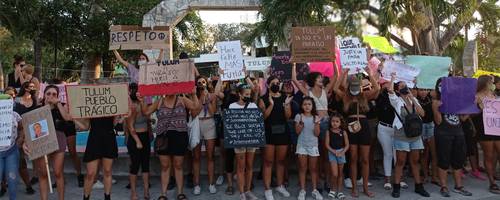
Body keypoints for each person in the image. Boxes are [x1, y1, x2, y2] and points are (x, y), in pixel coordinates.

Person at [142, 90, 198, 200]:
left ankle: (180, 193)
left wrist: (193, 94)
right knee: (165, 166)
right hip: (163, 138)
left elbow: (195, 107)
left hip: (180, 137)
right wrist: (144, 98)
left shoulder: (182, 100)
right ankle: (163, 194)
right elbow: (146, 112)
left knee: (178, 165)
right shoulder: (159, 101)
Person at [334, 68, 380, 198]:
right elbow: (335, 88)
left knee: (365, 159)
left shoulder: (364, 95)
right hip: (350, 127)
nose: (354, 88)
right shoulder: (345, 96)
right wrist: (344, 73)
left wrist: (369, 73)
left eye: (356, 86)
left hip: (364, 127)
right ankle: (354, 188)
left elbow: (377, 89)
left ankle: (365, 187)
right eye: (352, 86)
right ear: (349, 87)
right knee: (353, 158)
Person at [292, 64, 337, 192]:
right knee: (316, 156)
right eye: (319, 78)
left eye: (321, 78)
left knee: (327, 154)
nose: (321, 79)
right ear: (313, 81)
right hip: (314, 124)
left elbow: (336, 75)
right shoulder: (308, 92)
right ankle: (317, 182)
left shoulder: (326, 90)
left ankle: (327, 181)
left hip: (327, 123)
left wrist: (333, 61)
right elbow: (294, 80)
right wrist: (294, 64)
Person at [23, 85, 71, 200]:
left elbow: (67, 117)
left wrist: (58, 103)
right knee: (43, 173)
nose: (51, 96)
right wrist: (25, 142)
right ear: (44, 95)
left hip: (59, 139)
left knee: (58, 172)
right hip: (42, 141)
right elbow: (29, 128)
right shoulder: (37, 109)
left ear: (58, 96)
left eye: (54, 94)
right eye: (48, 93)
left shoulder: (62, 107)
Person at [387, 76, 429, 198]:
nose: (404, 88)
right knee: (400, 161)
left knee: (415, 161)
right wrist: (392, 78)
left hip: (415, 134)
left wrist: (411, 97)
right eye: (401, 86)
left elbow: (422, 114)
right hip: (401, 134)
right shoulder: (396, 100)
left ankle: (418, 186)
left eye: (405, 85)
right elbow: (390, 90)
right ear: (398, 89)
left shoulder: (413, 99)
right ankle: (396, 186)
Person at [432, 77, 472, 197]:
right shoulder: (436, 102)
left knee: (458, 161)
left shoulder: (456, 100)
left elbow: (463, 118)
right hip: (443, 134)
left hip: (458, 133)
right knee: (443, 160)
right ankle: (444, 186)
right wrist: (437, 108)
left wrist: (472, 106)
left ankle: (458, 186)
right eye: (440, 85)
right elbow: (438, 121)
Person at [258, 76, 293, 200]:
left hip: (283, 132)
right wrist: (271, 105)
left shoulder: (285, 97)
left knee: (281, 161)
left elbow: (288, 117)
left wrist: (287, 106)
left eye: (278, 83)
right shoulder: (263, 99)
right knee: (268, 162)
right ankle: (268, 189)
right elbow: (263, 117)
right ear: (268, 85)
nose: (276, 85)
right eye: (273, 83)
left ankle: (280, 185)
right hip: (268, 133)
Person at [191, 76, 222, 195]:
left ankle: (211, 183)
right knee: (196, 157)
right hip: (197, 124)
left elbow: (213, 111)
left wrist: (207, 99)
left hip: (209, 124)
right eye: (199, 82)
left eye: (203, 82)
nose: (201, 84)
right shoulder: (193, 96)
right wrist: (200, 99)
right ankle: (197, 184)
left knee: (210, 156)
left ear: (206, 83)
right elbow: (194, 113)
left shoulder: (212, 95)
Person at [75, 115, 118, 200]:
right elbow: (86, 127)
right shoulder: (91, 106)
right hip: (94, 138)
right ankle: (86, 198)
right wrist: (73, 119)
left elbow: (114, 124)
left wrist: (122, 116)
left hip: (109, 137)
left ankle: (107, 197)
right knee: (90, 173)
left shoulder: (111, 104)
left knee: (107, 171)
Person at [230, 84, 259, 200]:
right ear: (239, 94)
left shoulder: (253, 105)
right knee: (241, 166)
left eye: (249, 94)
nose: (248, 96)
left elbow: (256, 121)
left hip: (251, 139)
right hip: (239, 140)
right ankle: (242, 192)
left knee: (250, 165)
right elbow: (230, 123)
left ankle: (248, 190)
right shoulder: (232, 106)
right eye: (246, 94)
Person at [472, 75, 500, 194]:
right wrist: (480, 109)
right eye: (491, 82)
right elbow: (471, 114)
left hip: (496, 128)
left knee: (496, 154)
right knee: (488, 155)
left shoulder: (494, 95)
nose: (493, 84)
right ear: (485, 83)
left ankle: (493, 173)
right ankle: (492, 182)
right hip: (484, 129)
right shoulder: (476, 97)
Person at [126, 83, 151, 200]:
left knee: (146, 165)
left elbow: (148, 118)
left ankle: (146, 191)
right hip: (135, 138)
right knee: (135, 166)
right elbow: (130, 127)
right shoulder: (130, 106)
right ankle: (133, 193)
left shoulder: (143, 103)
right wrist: (137, 141)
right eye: (135, 90)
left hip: (145, 136)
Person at [294, 97, 323, 200]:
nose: (307, 106)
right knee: (302, 168)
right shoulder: (298, 116)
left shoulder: (316, 117)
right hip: (302, 145)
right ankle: (303, 190)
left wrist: (316, 123)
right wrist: (301, 123)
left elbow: (317, 133)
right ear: (302, 106)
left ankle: (315, 190)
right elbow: (297, 132)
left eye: (309, 104)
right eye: (305, 104)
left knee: (313, 169)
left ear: (312, 106)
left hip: (313, 145)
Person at [14, 82, 37, 195]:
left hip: (32, 134)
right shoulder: (16, 101)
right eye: (31, 87)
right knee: (21, 162)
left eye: (34, 87)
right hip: (18, 135)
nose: (33, 88)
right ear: (25, 88)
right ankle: (28, 185)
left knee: (36, 159)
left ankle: (34, 178)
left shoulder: (35, 101)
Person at [0, 93, 22, 200]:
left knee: (12, 181)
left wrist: (20, 140)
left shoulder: (15, 115)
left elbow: (22, 128)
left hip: (11, 151)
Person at [416, 88, 439, 184]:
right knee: (424, 153)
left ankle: (434, 176)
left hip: (431, 125)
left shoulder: (431, 97)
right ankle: (425, 175)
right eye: (421, 89)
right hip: (421, 126)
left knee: (434, 153)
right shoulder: (414, 99)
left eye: (425, 89)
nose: (423, 92)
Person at [325, 112, 349, 200]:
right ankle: (333, 189)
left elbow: (347, 145)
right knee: (334, 174)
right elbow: (327, 145)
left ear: (340, 122)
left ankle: (340, 191)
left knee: (340, 173)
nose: (334, 123)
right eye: (333, 121)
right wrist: (333, 151)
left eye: (337, 121)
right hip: (332, 153)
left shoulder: (343, 132)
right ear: (330, 122)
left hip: (341, 153)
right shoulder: (328, 132)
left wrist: (342, 152)